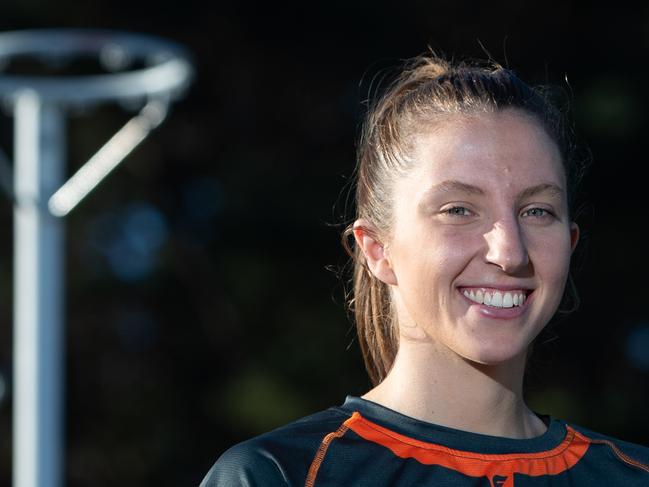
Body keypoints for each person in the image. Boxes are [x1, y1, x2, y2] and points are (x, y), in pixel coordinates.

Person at [200, 53, 649, 486]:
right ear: (378, 249)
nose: (509, 252)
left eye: (537, 211)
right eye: (458, 210)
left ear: (569, 244)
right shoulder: (281, 475)